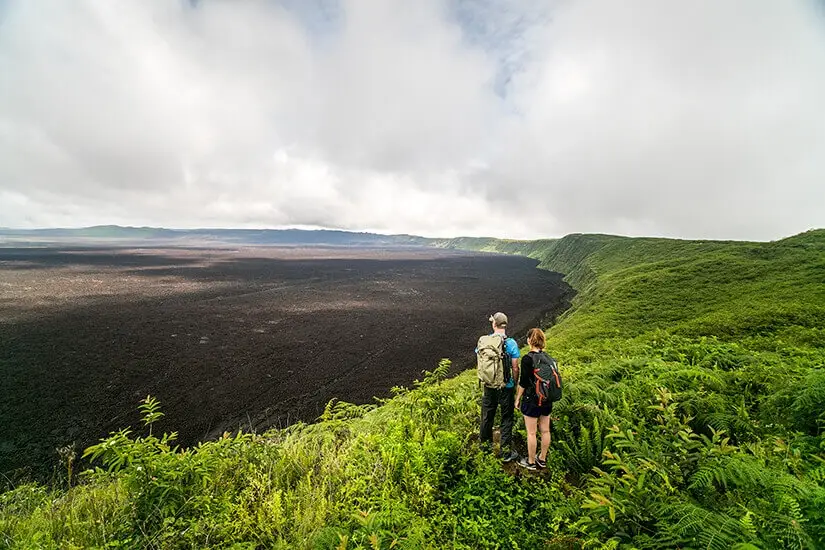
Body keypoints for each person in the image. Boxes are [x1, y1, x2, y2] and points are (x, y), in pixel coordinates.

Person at [478, 312, 521, 462]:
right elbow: (515, 367)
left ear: (494, 324)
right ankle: (506, 453)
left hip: (489, 385)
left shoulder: (485, 341)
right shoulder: (511, 343)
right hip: (506, 387)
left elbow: (479, 356)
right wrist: (514, 384)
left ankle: (484, 449)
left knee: (486, 417)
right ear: (505, 325)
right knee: (506, 418)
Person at [515, 328, 552, 471]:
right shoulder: (547, 358)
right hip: (547, 399)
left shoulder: (527, 359)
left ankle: (530, 462)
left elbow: (523, 382)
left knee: (531, 432)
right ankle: (542, 459)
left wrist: (517, 398)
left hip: (532, 400)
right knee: (545, 430)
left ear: (530, 340)